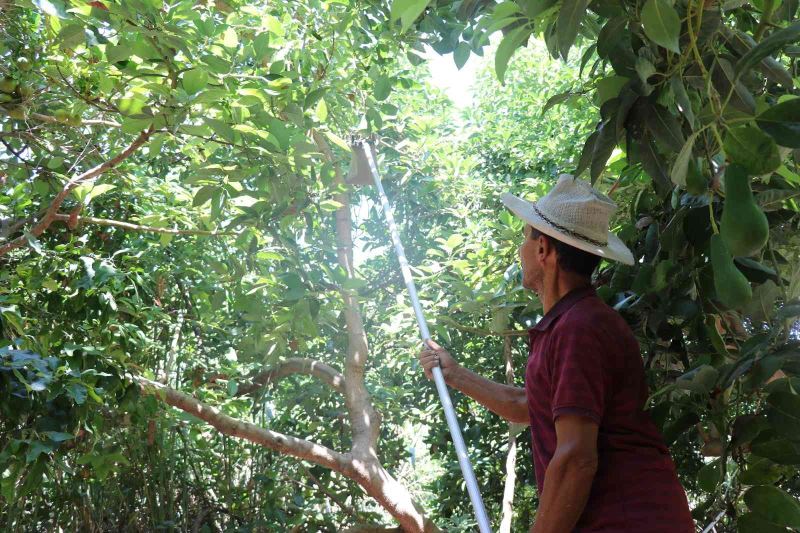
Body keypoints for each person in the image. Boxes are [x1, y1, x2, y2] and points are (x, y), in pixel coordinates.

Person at [419, 175, 694, 532]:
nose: (520, 249)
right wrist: (454, 373)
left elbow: (577, 458)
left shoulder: (579, 327)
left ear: (543, 250)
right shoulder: (572, 323)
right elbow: (527, 406)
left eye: (524, 237)